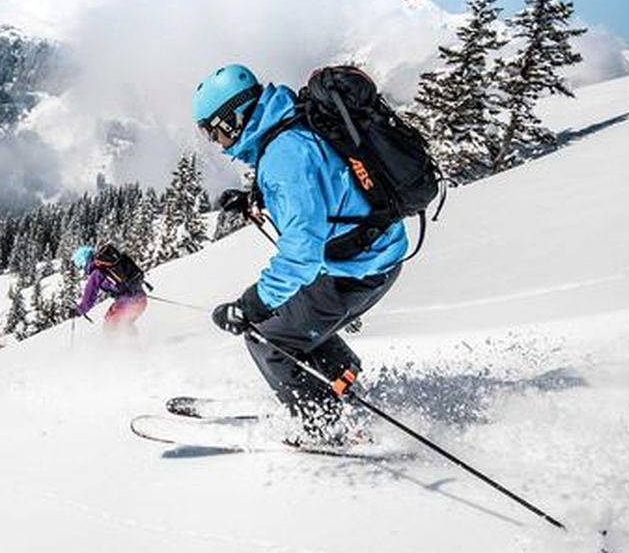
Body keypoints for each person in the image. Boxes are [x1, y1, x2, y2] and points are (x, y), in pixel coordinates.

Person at [192, 63, 407, 442]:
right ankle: (344, 381)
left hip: (355, 270)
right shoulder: (293, 124)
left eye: (214, 132)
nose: (217, 143)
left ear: (233, 119)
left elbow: (301, 254)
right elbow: (327, 182)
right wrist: (257, 197)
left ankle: (324, 427)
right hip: (377, 255)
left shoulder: (282, 157)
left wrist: (251, 305)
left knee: (265, 335)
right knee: (298, 317)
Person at [72, 245, 148, 332]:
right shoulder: (111, 264)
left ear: (83, 262)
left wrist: (78, 310)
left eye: (80, 267)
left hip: (129, 304)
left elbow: (89, 298)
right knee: (123, 325)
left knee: (111, 327)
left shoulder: (96, 273)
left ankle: (129, 344)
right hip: (141, 299)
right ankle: (137, 343)